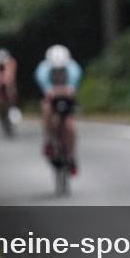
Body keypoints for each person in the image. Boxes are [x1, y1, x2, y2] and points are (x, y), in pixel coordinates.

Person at [34, 45, 83, 174]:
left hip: (66, 98)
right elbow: (46, 90)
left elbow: (71, 90)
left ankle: (71, 155)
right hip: (51, 98)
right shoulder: (43, 70)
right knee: (46, 109)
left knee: (70, 126)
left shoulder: (73, 69)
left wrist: (65, 90)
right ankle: (49, 140)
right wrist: (53, 91)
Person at [0, 48, 20, 120]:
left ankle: (13, 106)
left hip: (7, 80)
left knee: (11, 87)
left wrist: (6, 80)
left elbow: (11, 76)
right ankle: (0, 109)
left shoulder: (11, 61)